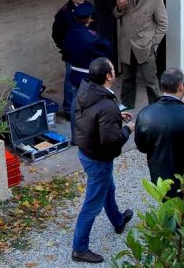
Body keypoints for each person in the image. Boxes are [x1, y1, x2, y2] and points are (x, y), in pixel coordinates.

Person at [71, 57, 135, 263]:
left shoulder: (87, 91)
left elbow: (94, 117)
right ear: (108, 76)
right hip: (98, 158)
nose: (115, 72)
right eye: (113, 70)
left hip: (86, 151)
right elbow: (110, 141)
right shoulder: (106, 105)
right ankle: (79, 249)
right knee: (92, 205)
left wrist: (117, 116)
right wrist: (127, 129)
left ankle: (117, 221)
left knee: (109, 188)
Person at [134, 68, 184, 198]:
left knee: (167, 210)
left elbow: (142, 146)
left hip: (161, 179)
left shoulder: (145, 114)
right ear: (181, 86)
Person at [113, 0, 168, 111]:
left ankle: (156, 108)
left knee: (150, 80)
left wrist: (153, 44)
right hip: (127, 45)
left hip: (145, 46)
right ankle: (127, 103)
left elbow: (163, 24)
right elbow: (116, 14)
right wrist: (119, 7)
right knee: (127, 78)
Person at [63, 2, 112, 145]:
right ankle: (90, 138)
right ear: (88, 19)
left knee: (75, 106)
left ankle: (75, 138)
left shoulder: (70, 33)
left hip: (74, 74)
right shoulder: (90, 37)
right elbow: (105, 49)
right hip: (87, 77)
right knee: (91, 108)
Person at [53, 0, 90, 119]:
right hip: (72, 53)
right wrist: (64, 47)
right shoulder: (64, 13)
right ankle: (69, 109)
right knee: (71, 81)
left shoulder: (88, 7)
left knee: (87, 80)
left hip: (86, 52)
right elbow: (56, 33)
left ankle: (85, 107)